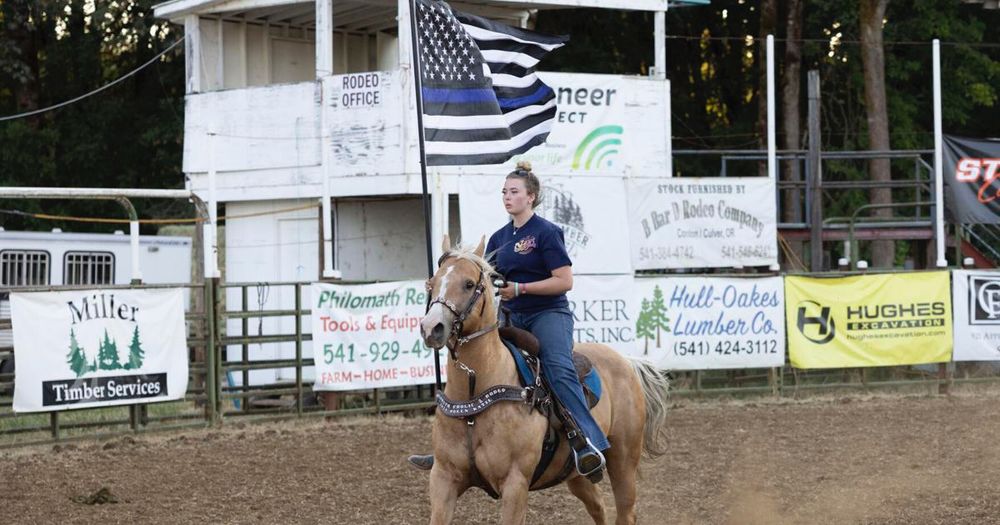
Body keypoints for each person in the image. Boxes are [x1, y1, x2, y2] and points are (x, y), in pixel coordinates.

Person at [409, 161, 609, 482]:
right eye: (504, 191)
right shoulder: (500, 238)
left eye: (514, 191)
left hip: (548, 314)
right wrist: (441, 282)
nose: (507, 196)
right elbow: (483, 279)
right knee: (473, 361)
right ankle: (450, 451)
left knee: (557, 366)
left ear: (530, 197)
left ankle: (587, 443)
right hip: (512, 316)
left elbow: (564, 280)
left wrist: (522, 288)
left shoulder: (546, 232)